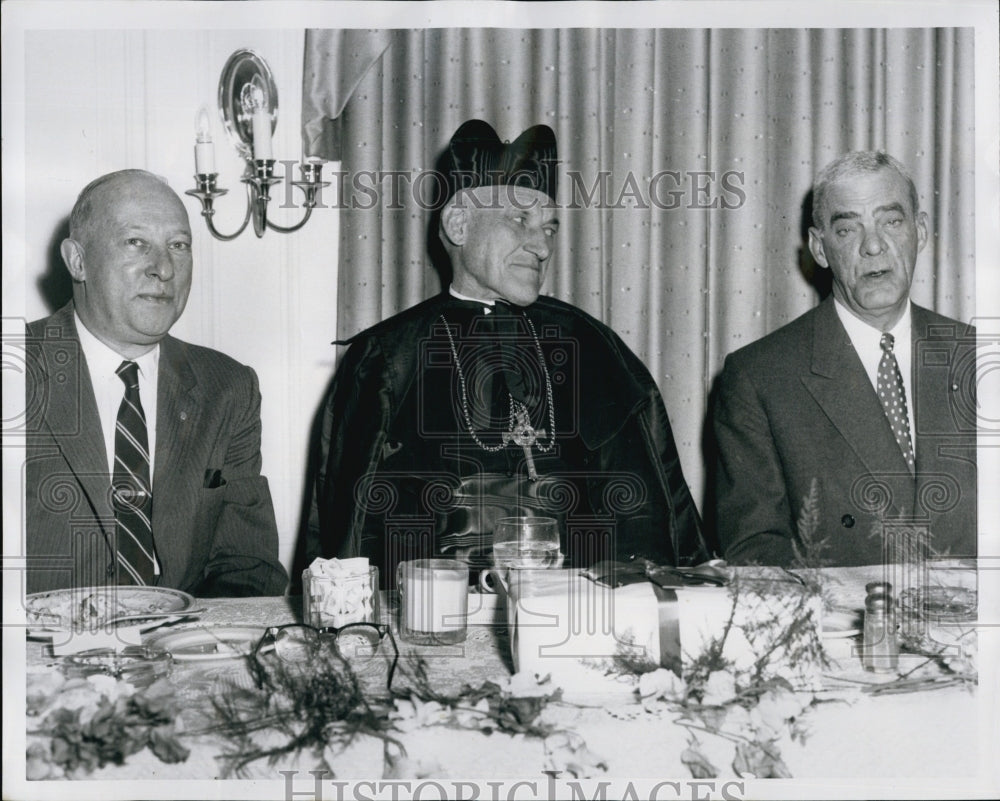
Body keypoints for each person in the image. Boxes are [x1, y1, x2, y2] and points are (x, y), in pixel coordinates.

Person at [305, 119, 708, 586]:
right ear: (459, 225)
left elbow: (649, 517)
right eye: (520, 220)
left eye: (550, 228)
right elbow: (352, 536)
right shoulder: (388, 358)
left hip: (577, 619)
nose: (541, 246)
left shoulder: (592, 347)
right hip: (433, 624)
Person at [25, 169, 288, 595]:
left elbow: (246, 567)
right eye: (136, 242)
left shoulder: (228, 388)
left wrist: (195, 649)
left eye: (178, 246)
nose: (163, 268)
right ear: (78, 261)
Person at [713, 151, 977, 566]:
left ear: (920, 232)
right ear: (820, 248)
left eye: (891, 222)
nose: (873, 246)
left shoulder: (978, 358)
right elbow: (755, 553)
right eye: (848, 229)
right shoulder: (759, 379)